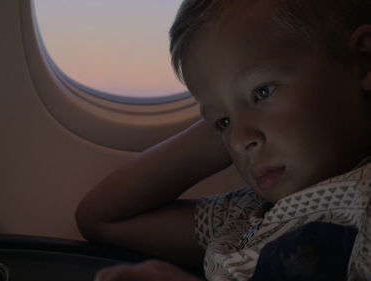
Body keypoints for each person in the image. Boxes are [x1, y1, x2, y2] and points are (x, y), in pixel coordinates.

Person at [75, 0, 371, 280]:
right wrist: (227, 117)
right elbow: (103, 217)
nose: (240, 140)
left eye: (263, 92)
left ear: (363, 60)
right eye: (223, 123)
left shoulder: (362, 200)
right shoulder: (241, 215)